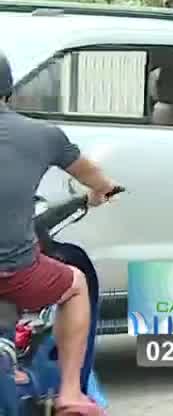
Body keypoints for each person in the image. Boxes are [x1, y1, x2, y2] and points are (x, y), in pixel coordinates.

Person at [0, 49, 120, 415]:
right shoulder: (42, 135)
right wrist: (101, 192)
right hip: (15, 274)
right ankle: (69, 392)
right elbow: (99, 180)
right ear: (9, 91)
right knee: (76, 283)